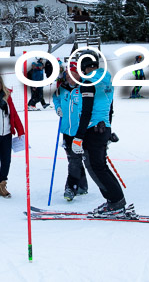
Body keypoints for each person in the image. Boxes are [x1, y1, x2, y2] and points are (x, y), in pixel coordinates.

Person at [69, 50, 131, 217]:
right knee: (101, 167)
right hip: (103, 128)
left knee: (96, 168)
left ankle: (115, 202)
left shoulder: (88, 82)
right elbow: (110, 108)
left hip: (93, 130)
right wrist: (108, 130)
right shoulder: (106, 80)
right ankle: (115, 200)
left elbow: (87, 111)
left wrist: (78, 137)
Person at [53, 62, 88, 201]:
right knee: (73, 159)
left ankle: (71, 187)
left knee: (74, 160)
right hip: (66, 130)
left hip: (80, 131)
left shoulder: (85, 88)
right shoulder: (63, 88)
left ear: (78, 75)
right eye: (67, 74)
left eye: (72, 74)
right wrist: (58, 108)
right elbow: (56, 98)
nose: (69, 77)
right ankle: (82, 186)